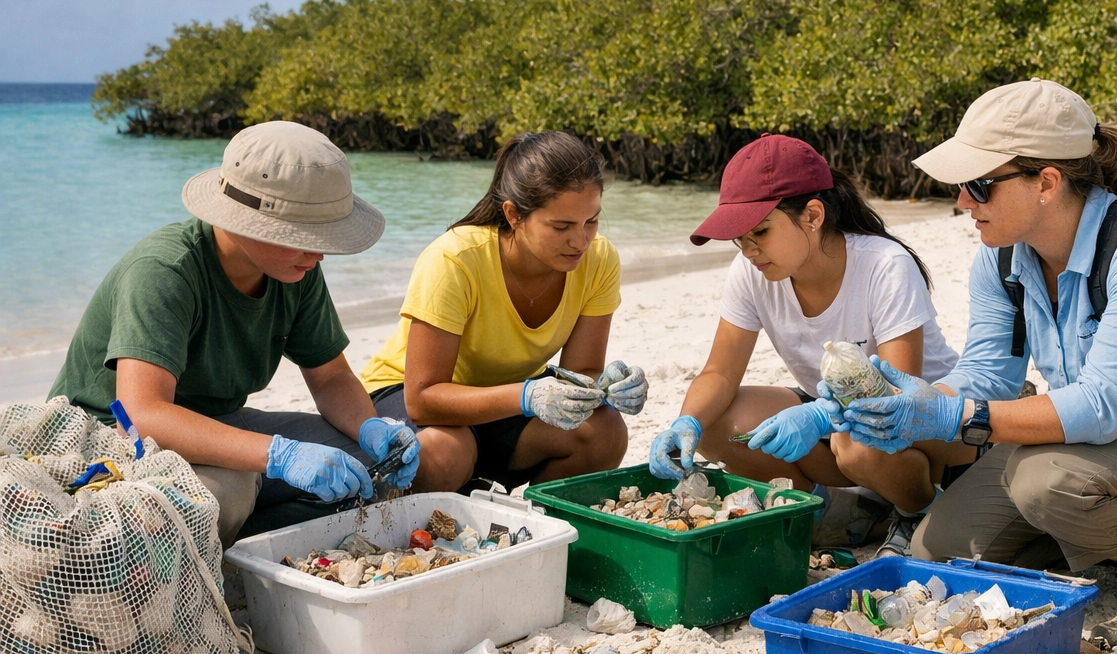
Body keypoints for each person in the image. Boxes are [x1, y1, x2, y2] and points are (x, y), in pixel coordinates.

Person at [839, 80, 1117, 648]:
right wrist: (896, 396)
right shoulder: (1004, 255)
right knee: (938, 551)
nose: (963, 203)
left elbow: (1101, 408)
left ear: (1048, 183)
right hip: (1098, 445)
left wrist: (951, 418)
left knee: (1045, 480)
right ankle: (1104, 536)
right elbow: (990, 376)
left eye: (979, 185)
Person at [50, 121, 418, 547]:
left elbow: (331, 377)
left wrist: (372, 428)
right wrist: (279, 456)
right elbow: (142, 414)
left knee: (373, 465)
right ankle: (220, 549)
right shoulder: (165, 270)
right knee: (228, 491)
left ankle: (246, 551)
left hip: (212, 423)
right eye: (305, 236)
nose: (318, 253)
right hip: (111, 440)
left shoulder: (295, 270)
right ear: (249, 222)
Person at [647, 134, 963, 556]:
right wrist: (685, 424)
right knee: (717, 421)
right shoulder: (750, 271)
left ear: (813, 215)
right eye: (739, 238)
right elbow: (720, 372)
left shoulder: (884, 265)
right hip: (837, 421)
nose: (749, 249)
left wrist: (816, 417)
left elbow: (892, 395)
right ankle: (833, 511)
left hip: (924, 429)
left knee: (860, 442)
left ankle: (917, 510)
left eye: (760, 231)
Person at [360, 133, 645, 492]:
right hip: (410, 396)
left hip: (504, 403)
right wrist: (527, 396)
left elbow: (581, 371)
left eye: (592, 221)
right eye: (561, 226)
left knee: (604, 431)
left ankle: (530, 520)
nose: (581, 241)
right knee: (449, 452)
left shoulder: (598, 260)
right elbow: (422, 400)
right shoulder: (454, 260)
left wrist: (607, 388)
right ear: (513, 215)